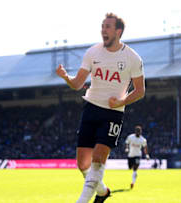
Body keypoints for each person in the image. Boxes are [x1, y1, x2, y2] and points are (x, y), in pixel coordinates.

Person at [56, 13, 145, 203]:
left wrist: (121, 102)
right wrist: (65, 76)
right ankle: (103, 191)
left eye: (108, 27)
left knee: (98, 159)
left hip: (113, 113)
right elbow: (78, 84)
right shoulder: (92, 52)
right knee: (83, 164)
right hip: (91, 109)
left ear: (118, 31)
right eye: (102, 26)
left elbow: (140, 91)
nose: (103, 30)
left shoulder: (132, 58)